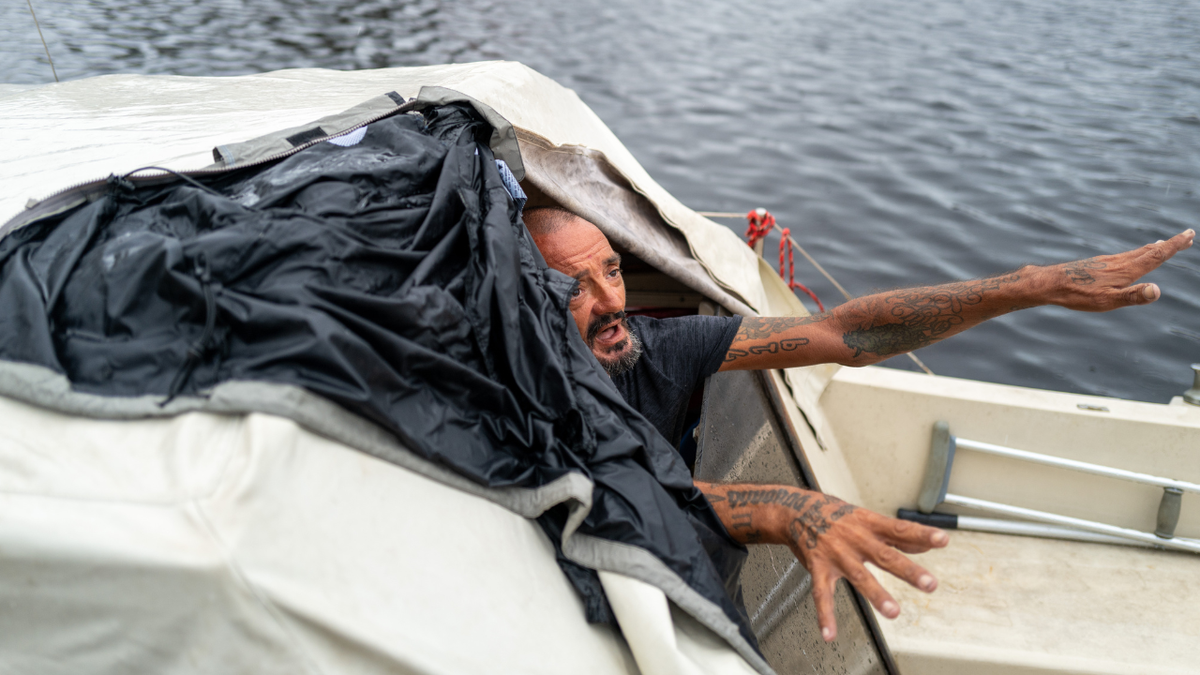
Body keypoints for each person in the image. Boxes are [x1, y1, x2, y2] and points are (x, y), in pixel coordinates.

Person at [524, 205, 1195, 643]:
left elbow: (845, 331)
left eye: (613, 268)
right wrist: (781, 508)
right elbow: (589, 483)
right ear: (527, 300)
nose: (613, 300)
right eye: (576, 285)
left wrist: (1027, 287)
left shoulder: (659, 346)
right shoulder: (511, 386)